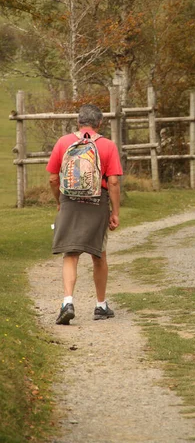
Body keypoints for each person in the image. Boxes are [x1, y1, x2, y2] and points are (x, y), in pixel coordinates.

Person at [47, 104, 123, 325]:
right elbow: (114, 182)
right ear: (99, 123)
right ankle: (100, 306)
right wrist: (115, 212)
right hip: (97, 202)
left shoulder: (63, 142)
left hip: (69, 201)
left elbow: (53, 178)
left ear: (78, 122)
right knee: (99, 255)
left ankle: (67, 302)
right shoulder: (107, 145)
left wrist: (59, 201)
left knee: (70, 255)